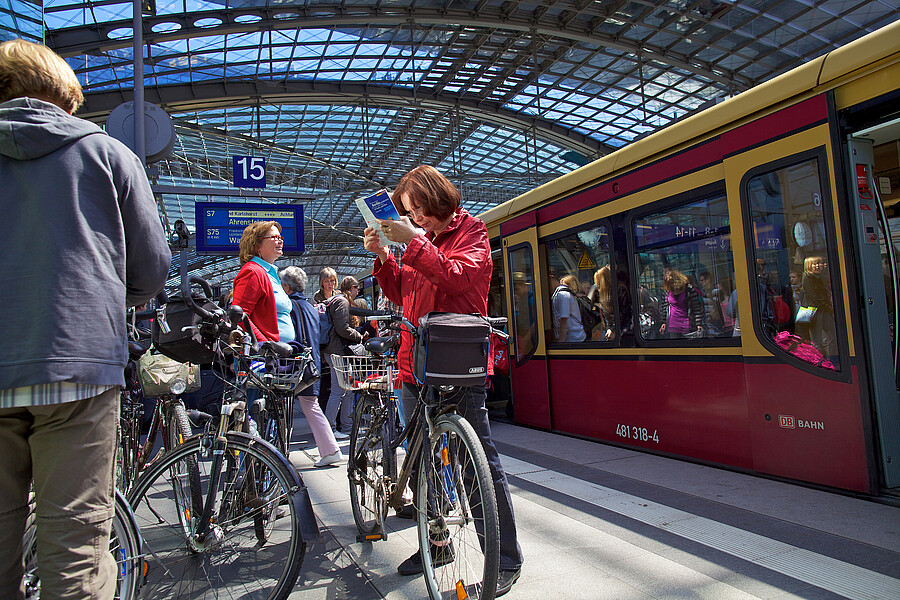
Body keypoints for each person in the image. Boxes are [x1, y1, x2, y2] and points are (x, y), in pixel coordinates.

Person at [0, 39, 170, 600]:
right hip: (78, 365)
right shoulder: (107, 154)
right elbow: (152, 268)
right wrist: (104, 299)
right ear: (67, 97)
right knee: (75, 554)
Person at [364, 165, 523, 596]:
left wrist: (413, 242)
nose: (415, 217)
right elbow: (403, 294)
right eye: (409, 212)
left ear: (437, 197)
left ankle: (505, 560)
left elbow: (458, 277)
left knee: (478, 463)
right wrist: (385, 258)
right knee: (423, 461)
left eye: (418, 209)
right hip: (415, 362)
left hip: (457, 362)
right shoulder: (423, 239)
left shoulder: (472, 231)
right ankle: (436, 544)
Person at [279, 266, 343, 467]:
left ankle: (280, 454)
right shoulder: (309, 306)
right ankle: (330, 450)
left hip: (296, 364)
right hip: (312, 361)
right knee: (310, 404)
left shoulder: (289, 306)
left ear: (286, 286)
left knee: (288, 407)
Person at [232, 221, 294, 344]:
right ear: (256, 245)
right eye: (274, 237)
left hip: (280, 350)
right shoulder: (252, 272)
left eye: (280, 237)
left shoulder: (270, 273)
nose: (280, 241)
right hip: (266, 352)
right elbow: (239, 317)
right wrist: (264, 344)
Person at [321, 276, 364, 439]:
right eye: (356, 288)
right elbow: (342, 328)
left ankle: (347, 426)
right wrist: (358, 336)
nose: (358, 291)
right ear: (350, 288)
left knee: (347, 390)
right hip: (337, 351)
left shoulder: (336, 300)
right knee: (339, 391)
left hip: (335, 350)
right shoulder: (342, 302)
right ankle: (330, 429)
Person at [802, 255, 836, 358]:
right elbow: (814, 297)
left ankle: (831, 358)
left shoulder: (820, 278)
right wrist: (828, 306)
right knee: (816, 340)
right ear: (809, 265)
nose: (818, 266)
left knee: (833, 335)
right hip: (815, 311)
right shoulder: (807, 278)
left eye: (819, 263)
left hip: (823, 310)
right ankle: (820, 360)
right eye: (815, 264)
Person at [659, 268, 705, 338]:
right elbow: (664, 307)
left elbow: (696, 307)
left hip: (687, 323)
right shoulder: (667, 291)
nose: (671, 285)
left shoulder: (689, 290)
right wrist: (664, 322)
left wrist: (699, 324)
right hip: (673, 325)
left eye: (672, 282)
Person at [552, 274, 586, 342]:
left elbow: (564, 320)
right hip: (575, 336)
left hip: (573, 338)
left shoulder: (563, 295)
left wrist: (560, 342)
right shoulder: (564, 294)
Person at [589, 266, 615, 341]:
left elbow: (617, 315)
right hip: (607, 326)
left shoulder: (612, 295)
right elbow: (588, 303)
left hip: (612, 328)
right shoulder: (602, 294)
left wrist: (612, 329)